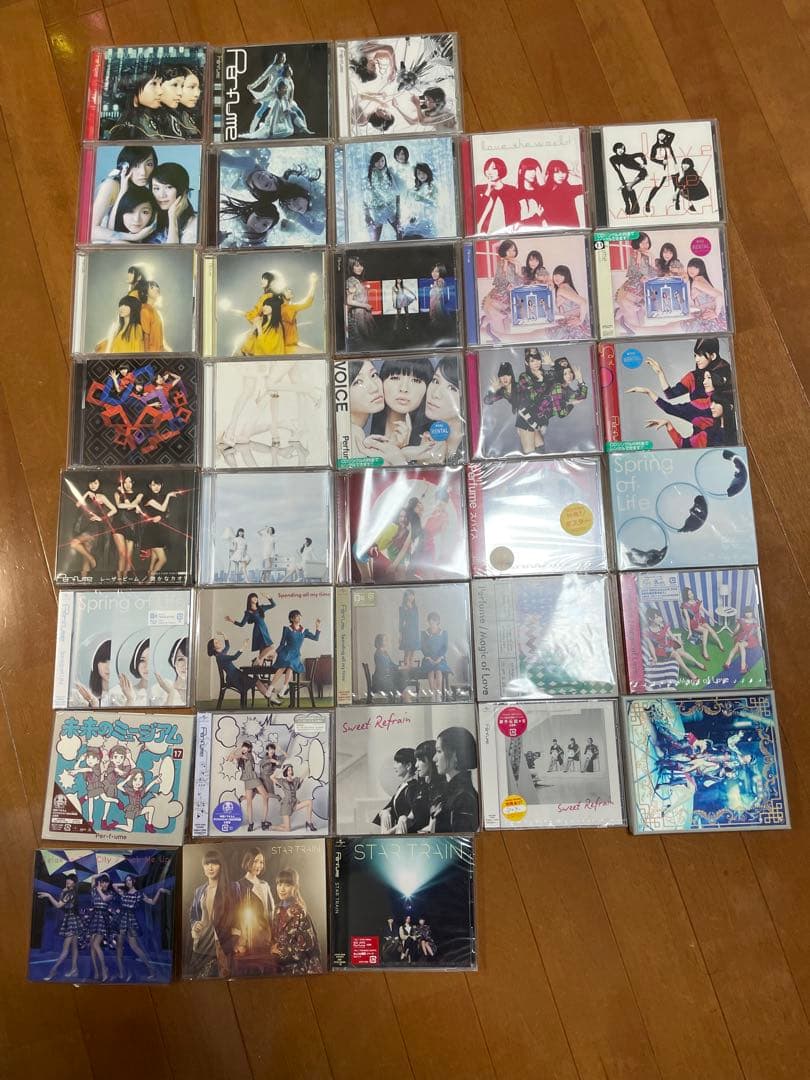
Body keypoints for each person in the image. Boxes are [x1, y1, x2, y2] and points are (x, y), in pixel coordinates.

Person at [91, 146, 158, 243]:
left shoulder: (141, 190)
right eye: (136, 165)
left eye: (149, 164)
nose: (143, 172)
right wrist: (134, 237)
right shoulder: (111, 185)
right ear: (124, 167)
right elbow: (90, 231)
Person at [188, 850, 236, 978]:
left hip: (221, 944)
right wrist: (194, 925)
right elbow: (193, 915)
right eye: (207, 864)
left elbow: (237, 917)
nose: (210, 867)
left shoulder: (231, 889)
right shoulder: (199, 891)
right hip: (201, 944)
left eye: (214, 863)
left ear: (221, 866)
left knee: (220, 981)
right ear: (203, 867)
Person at [112, 874, 169, 981]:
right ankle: (121, 973)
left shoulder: (139, 894)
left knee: (134, 946)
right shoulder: (123, 893)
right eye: (126, 881)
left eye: (130, 880)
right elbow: (114, 885)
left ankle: (152, 969)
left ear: (133, 881)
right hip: (121, 920)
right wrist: (124, 884)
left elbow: (152, 902)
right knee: (119, 946)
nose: (128, 882)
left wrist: (159, 891)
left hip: (130, 921)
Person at [271, 867, 323, 974]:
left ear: (295, 887)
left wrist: (280, 950)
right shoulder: (276, 909)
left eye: (287, 885)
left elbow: (306, 948)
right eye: (279, 884)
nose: (282, 889)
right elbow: (275, 938)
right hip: (280, 967)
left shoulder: (300, 912)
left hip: (300, 969)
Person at [231, 848, 274, 969]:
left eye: (261, 862)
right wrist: (238, 941)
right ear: (247, 861)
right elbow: (235, 916)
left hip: (267, 938)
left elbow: (271, 912)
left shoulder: (265, 885)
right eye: (255, 861)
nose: (258, 865)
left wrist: (273, 938)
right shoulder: (239, 886)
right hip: (248, 941)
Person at [267, 610, 321, 704]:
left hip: (295, 654)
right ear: (292, 619)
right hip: (286, 652)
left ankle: (283, 689)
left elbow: (316, 638)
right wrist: (275, 653)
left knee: (291, 666)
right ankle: (270, 688)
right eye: (297, 616)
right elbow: (282, 644)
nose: (299, 617)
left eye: (300, 616)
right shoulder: (287, 629)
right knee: (283, 667)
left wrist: (317, 627)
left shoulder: (304, 631)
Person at [433, 726, 479, 832]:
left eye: (439, 751)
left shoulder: (463, 797)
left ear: (455, 755)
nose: (434, 758)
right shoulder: (451, 791)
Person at [38, 875, 81, 981]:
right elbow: (63, 903)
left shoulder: (70, 893)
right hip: (73, 920)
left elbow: (58, 905)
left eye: (71, 880)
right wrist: (63, 891)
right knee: (74, 947)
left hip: (71, 921)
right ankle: (74, 970)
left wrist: (48, 895)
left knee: (65, 950)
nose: (68, 881)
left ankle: (53, 971)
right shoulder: (70, 893)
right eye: (67, 879)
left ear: (74, 883)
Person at [107, 67, 164, 140]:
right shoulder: (127, 129)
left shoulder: (149, 119)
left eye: (160, 84)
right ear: (134, 87)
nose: (160, 91)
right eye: (154, 83)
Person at [480, 239, 521, 341]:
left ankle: (487, 324)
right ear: (504, 251)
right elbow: (501, 281)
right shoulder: (502, 263)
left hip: (508, 301)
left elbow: (519, 282)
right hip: (498, 299)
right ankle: (488, 325)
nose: (512, 253)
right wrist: (508, 267)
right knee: (502, 332)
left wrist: (518, 267)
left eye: (513, 250)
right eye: (509, 250)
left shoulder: (515, 264)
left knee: (506, 331)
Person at [373, 747, 420, 833]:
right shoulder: (402, 786)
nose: (394, 766)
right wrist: (386, 811)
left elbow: (414, 816)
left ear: (408, 766)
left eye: (398, 762)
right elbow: (390, 806)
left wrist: (390, 832)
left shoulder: (413, 787)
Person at [150, 162, 197, 243]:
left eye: (169, 187)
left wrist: (173, 217)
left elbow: (172, 250)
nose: (162, 195)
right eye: (156, 188)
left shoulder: (194, 224)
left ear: (182, 190)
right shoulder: (151, 218)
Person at [228, 741, 269, 833]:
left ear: (250, 749)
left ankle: (264, 821)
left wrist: (238, 751)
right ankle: (251, 823)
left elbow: (238, 756)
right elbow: (230, 759)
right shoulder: (240, 758)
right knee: (249, 802)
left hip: (254, 778)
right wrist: (237, 748)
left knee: (265, 796)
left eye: (247, 747)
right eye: (244, 746)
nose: (245, 748)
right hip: (247, 780)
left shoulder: (250, 755)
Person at [226, 592, 277, 665]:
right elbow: (242, 624)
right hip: (258, 631)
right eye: (253, 597)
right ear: (249, 599)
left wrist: (268, 597)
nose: (255, 598)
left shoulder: (261, 608)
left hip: (264, 630)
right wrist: (232, 620)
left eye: (256, 597)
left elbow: (273, 605)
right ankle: (258, 660)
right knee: (271, 647)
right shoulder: (248, 612)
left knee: (269, 653)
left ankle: (257, 664)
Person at [363, 151, 401, 240]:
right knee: (376, 237)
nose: (380, 163)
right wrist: (367, 214)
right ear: (373, 162)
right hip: (377, 208)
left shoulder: (388, 175)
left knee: (399, 231)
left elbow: (397, 193)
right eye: (377, 161)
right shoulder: (369, 177)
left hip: (390, 207)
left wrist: (398, 211)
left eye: (382, 161)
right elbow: (365, 197)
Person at [474, 157, 518, 233]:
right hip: (484, 234)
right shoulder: (479, 189)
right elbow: (476, 214)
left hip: (508, 233)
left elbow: (515, 215)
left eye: (494, 169)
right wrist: (487, 192)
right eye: (487, 169)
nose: (489, 172)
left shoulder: (512, 190)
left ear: (501, 169)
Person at [680, 586, 723, 660]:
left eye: (691, 593)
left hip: (700, 620)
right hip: (693, 623)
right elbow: (687, 618)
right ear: (686, 596)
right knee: (705, 631)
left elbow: (704, 610)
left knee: (710, 629)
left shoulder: (697, 601)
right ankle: (704, 651)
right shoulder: (685, 605)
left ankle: (720, 644)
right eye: (689, 594)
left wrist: (712, 618)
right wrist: (689, 631)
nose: (691, 595)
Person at [412, 738, 446, 833]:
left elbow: (433, 825)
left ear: (431, 760)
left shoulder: (441, 789)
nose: (416, 765)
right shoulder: (423, 785)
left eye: (420, 760)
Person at [273, 764, 317, 832]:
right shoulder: (282, 781)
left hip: (294, 804)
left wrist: (310, 765)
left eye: (291, 770)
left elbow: (303, 775)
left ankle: (309, 822)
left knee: (309, 802)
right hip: (286, 806)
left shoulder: (295, 781)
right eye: (288, 770)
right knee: (287, 829)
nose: (290, 771)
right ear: (285, 772)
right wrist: (282, 770)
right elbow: (272, 777)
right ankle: (270, 827)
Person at [540, 159, 585, 227]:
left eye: (563, 172)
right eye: (557, 172)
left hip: (570, 230)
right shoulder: (543, 190)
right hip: (551, 230)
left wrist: (578, 174)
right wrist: (542, 220)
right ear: (550, 173)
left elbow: (590, 187)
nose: (561, 175)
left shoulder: (568, 190)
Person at [419, 611, 452, 698]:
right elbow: (423, 647)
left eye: (434, 621)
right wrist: (429, 657)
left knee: (438, 670)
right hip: (428, 658)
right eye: (430, 621)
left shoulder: (444, 633)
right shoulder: (424, 633)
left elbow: (444, 647)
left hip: (440, 658)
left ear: (438, 621)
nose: (432, 623)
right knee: (430, 670)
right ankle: (433, 693)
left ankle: (439, 693)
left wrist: (439, 658)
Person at [345, 257, 375, 346]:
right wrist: (365, 305)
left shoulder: (358, 280)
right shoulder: (351, 281)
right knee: (361, 340)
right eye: (357, 266)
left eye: (361, 265)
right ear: (351, 267)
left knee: (367, 338)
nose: (360, 268)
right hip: (357, 314)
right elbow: (349, 301)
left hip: (363, 313)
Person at [399, 589, 420, 668]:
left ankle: (411, 670)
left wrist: (410, 608)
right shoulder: (402, 608)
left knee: (412, 653)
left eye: (412, 595)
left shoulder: (415, 608)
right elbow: (401, 622)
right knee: (407, 653)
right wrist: (400, 634)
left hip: (414, 632)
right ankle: (406, 670)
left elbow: (416, 620)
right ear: (405, 597)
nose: (411, 597)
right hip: (407, 632)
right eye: (409, 595)